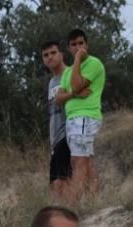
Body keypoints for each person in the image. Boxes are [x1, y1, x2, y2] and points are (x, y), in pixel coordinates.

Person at [59, 29, 106, 202]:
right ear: (69, 48)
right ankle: (95, 200)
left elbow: (76, 84)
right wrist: (74, 95)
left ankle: (72, 205)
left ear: (87, 45)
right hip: (73, 120)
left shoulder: (94, 64)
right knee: (85, 160)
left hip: (86, 117)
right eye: (74, 45)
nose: (78, 47)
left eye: (81, 43)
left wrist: (78, 60)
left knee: (78, 160)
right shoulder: (67, 72)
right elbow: (59, 98)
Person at [42, 40, 74, 200]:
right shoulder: (51, 82)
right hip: (55, 139)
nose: (49, 57)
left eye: (53, 53)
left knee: (64, 181)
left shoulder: (71, 74)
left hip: (67, 134)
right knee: (54, 185)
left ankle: (72, 213)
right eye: (46, 55)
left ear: (61, 54)